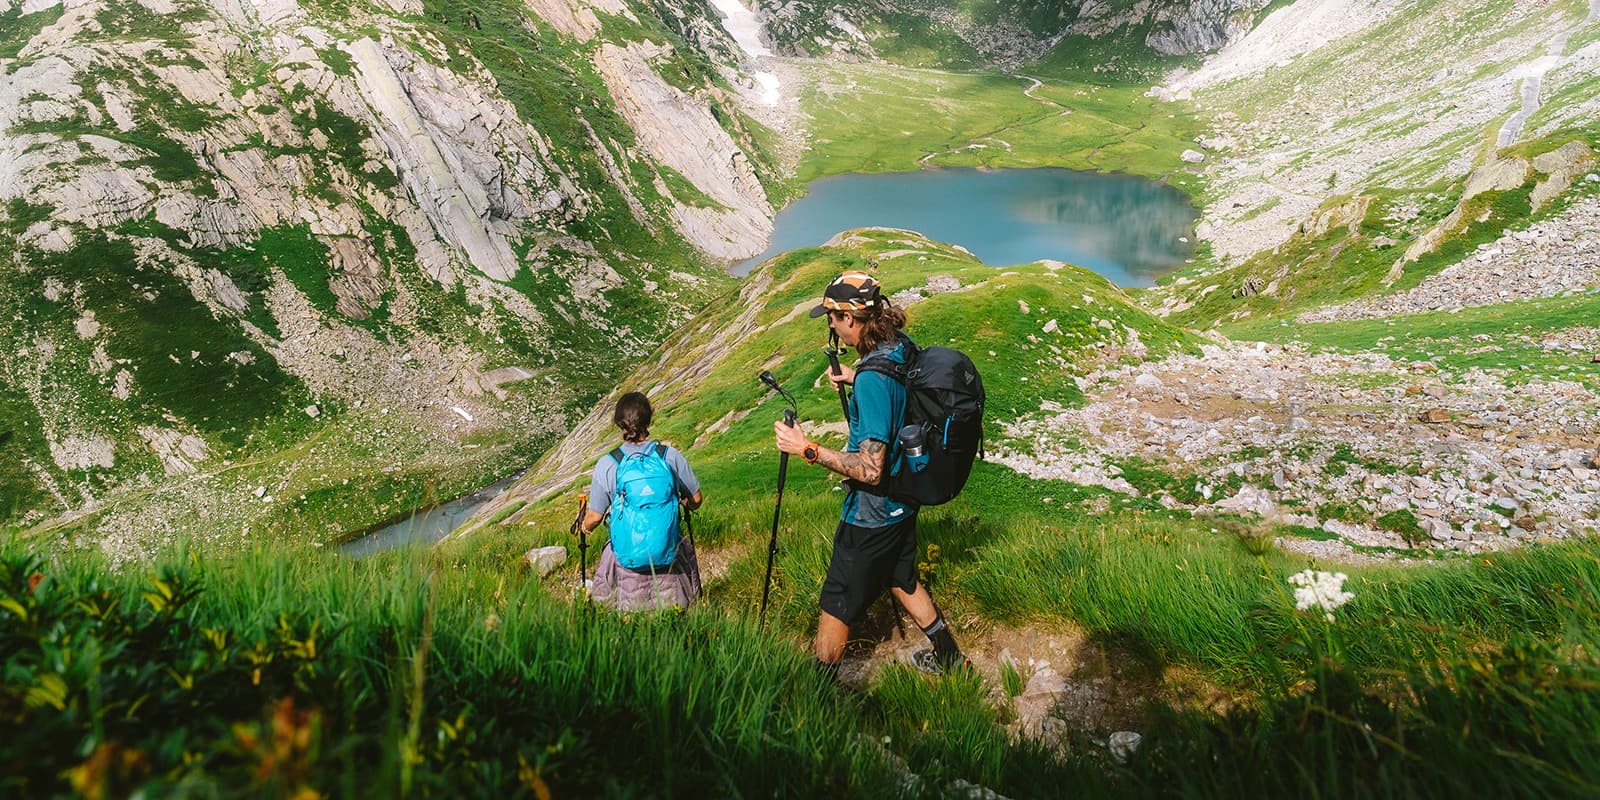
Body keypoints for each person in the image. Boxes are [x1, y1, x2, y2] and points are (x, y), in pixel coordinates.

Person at [773, 271, 966, 677]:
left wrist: (806, 448)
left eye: (832, 317)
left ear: (850, 317)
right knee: (901, 575)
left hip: (874, 510)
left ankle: (817, 690)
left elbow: (871, 469)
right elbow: (900, 386)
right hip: (906, 495)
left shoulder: (874, 379)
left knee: (837, 600)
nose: (829, 324)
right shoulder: (897, 345)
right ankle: (949, 655)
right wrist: (854, 374)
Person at [581, 392, 704, 611]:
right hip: (670, 559)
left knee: (626, 624)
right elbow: (696, 499)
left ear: (620, 425)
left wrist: (583, 526)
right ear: (648, 421)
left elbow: (595, 517)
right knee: (675, 622)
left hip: (625, 564)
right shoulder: (670, 456)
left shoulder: (608, 464)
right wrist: (683, 504)